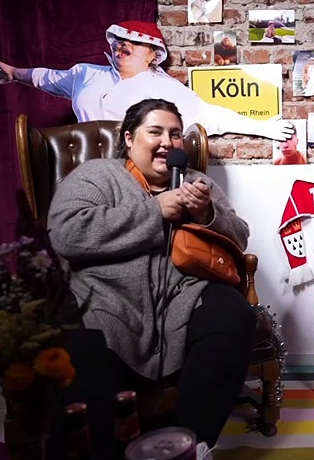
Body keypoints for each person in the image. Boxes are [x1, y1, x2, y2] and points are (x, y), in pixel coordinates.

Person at [46, 98, 255, 460]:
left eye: (175, 134)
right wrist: (154, 210)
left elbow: (240, 237)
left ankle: (194, 444)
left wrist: (206, 213)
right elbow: (67, 233)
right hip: (108, 298)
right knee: (84, 347)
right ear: (129, 138)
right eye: (155, 132)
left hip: (183, 296)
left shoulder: (198, 182)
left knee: (233, 314)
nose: (167, 142)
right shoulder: (96, 175)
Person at [0, 21, 293, 142]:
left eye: (133, 43)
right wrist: (14, 73)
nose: (123, 46)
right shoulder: (86, 73)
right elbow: (46, 77)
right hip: (81, 165)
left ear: (152, 55)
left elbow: (209, 115)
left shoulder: (164, 87)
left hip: (130, 170)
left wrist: (263, 127)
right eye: (119, 42)